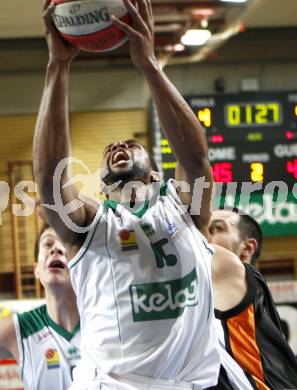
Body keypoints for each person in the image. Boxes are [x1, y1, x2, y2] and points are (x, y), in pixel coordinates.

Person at [33, 0, 223, 388]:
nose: (119, 144)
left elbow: (194, 154)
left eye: (131, 145)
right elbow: (52, 182)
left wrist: (149, 65)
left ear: (155, 173)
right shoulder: (90, 225)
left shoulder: (186, 209)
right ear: (101, 187)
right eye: (109, 152)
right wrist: (58, 66)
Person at [209, 207, 297, 389]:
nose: (204, 235)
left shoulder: (240, 272)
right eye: (203, 228)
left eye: (217, 228)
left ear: (247, 247)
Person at [0, 223, 81, 390]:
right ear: (36, 270)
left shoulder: (103, 318)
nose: (56, 249)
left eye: (64, 244)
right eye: (48, 243)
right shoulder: (17, 329)